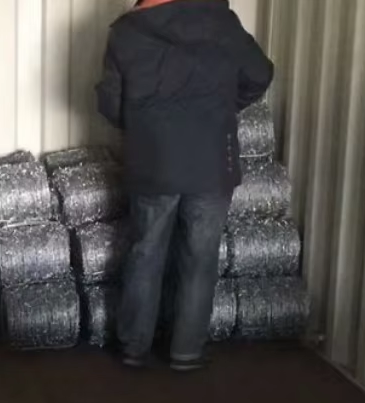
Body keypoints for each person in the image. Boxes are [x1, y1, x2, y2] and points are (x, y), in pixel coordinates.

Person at [96, 0, 274, 370]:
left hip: (153, 159)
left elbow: (110, 104)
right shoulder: (223, 22)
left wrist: (146, 126)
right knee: (201, 257)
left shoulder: (126, 32)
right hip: (211, 159)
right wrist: (225, 106)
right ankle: (186, 351)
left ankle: (133, 347)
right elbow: (260, 74)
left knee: (146, 251)